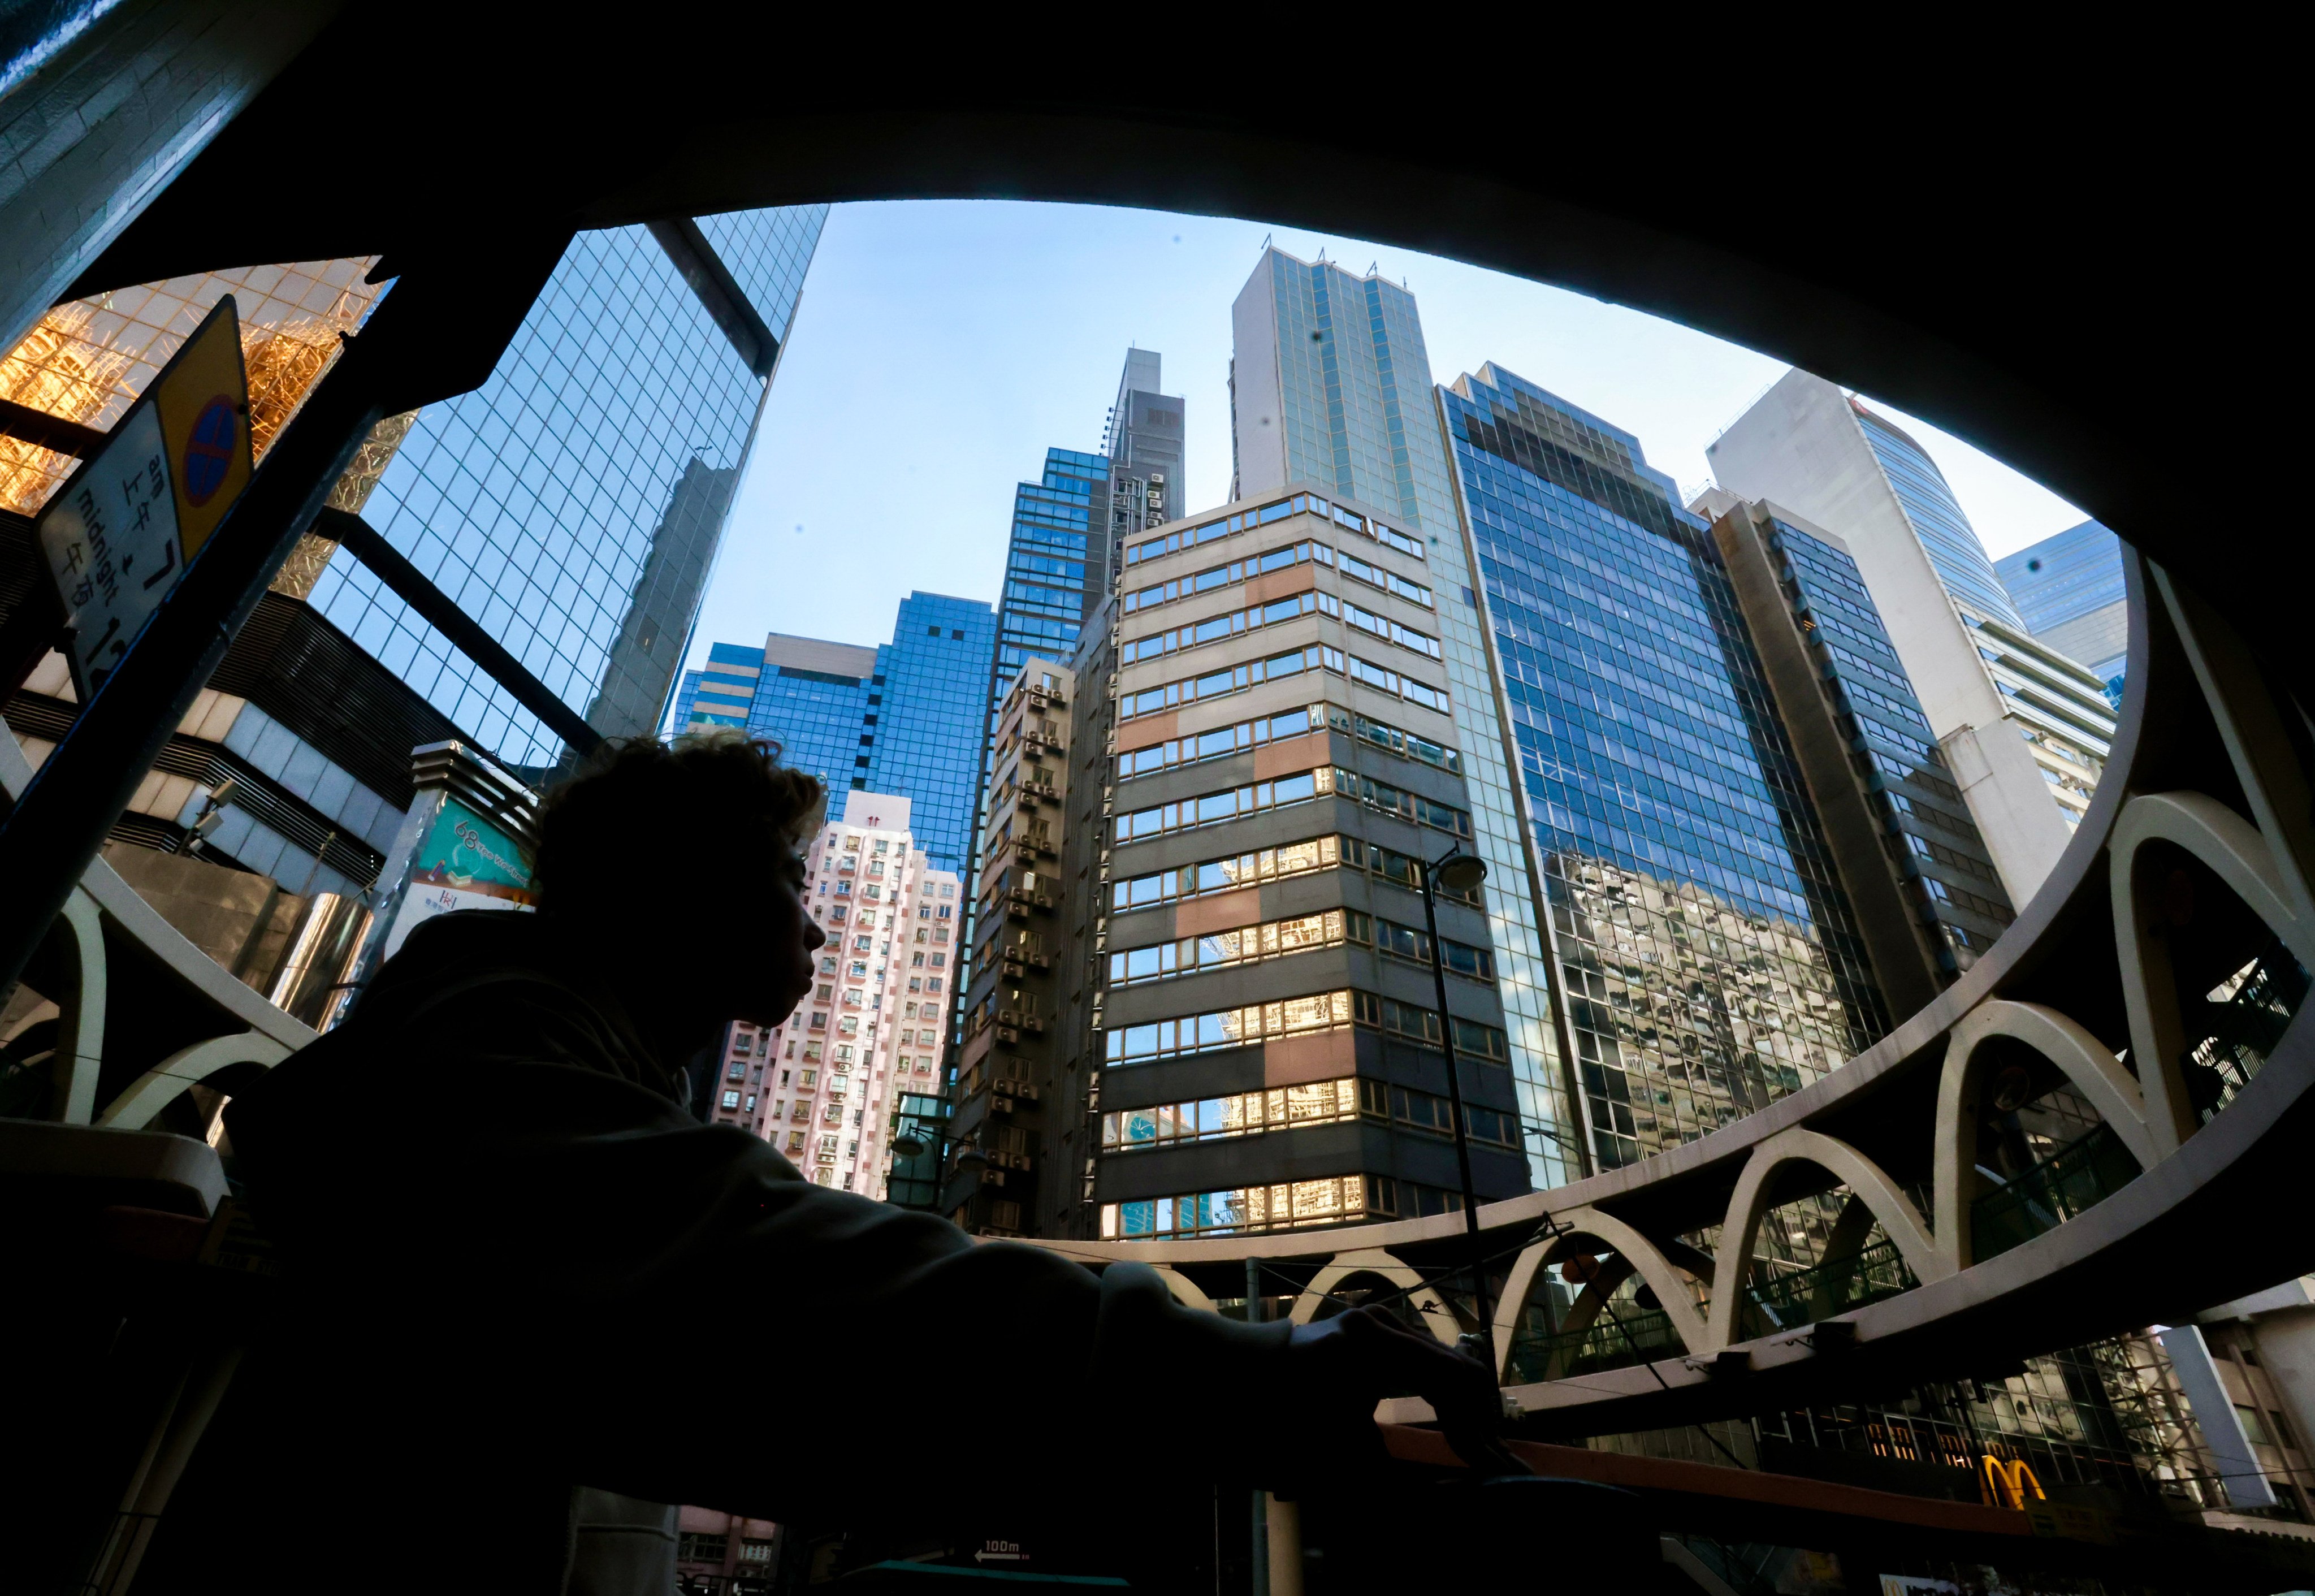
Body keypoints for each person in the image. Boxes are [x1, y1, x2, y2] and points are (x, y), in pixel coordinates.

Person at [138, 731, 1506, 1594]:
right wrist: (1254, 1362)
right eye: (793, 885)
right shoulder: (497, 1049)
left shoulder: (539, 1048)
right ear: (687, 892)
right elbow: (776, 1277)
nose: (820, 926)